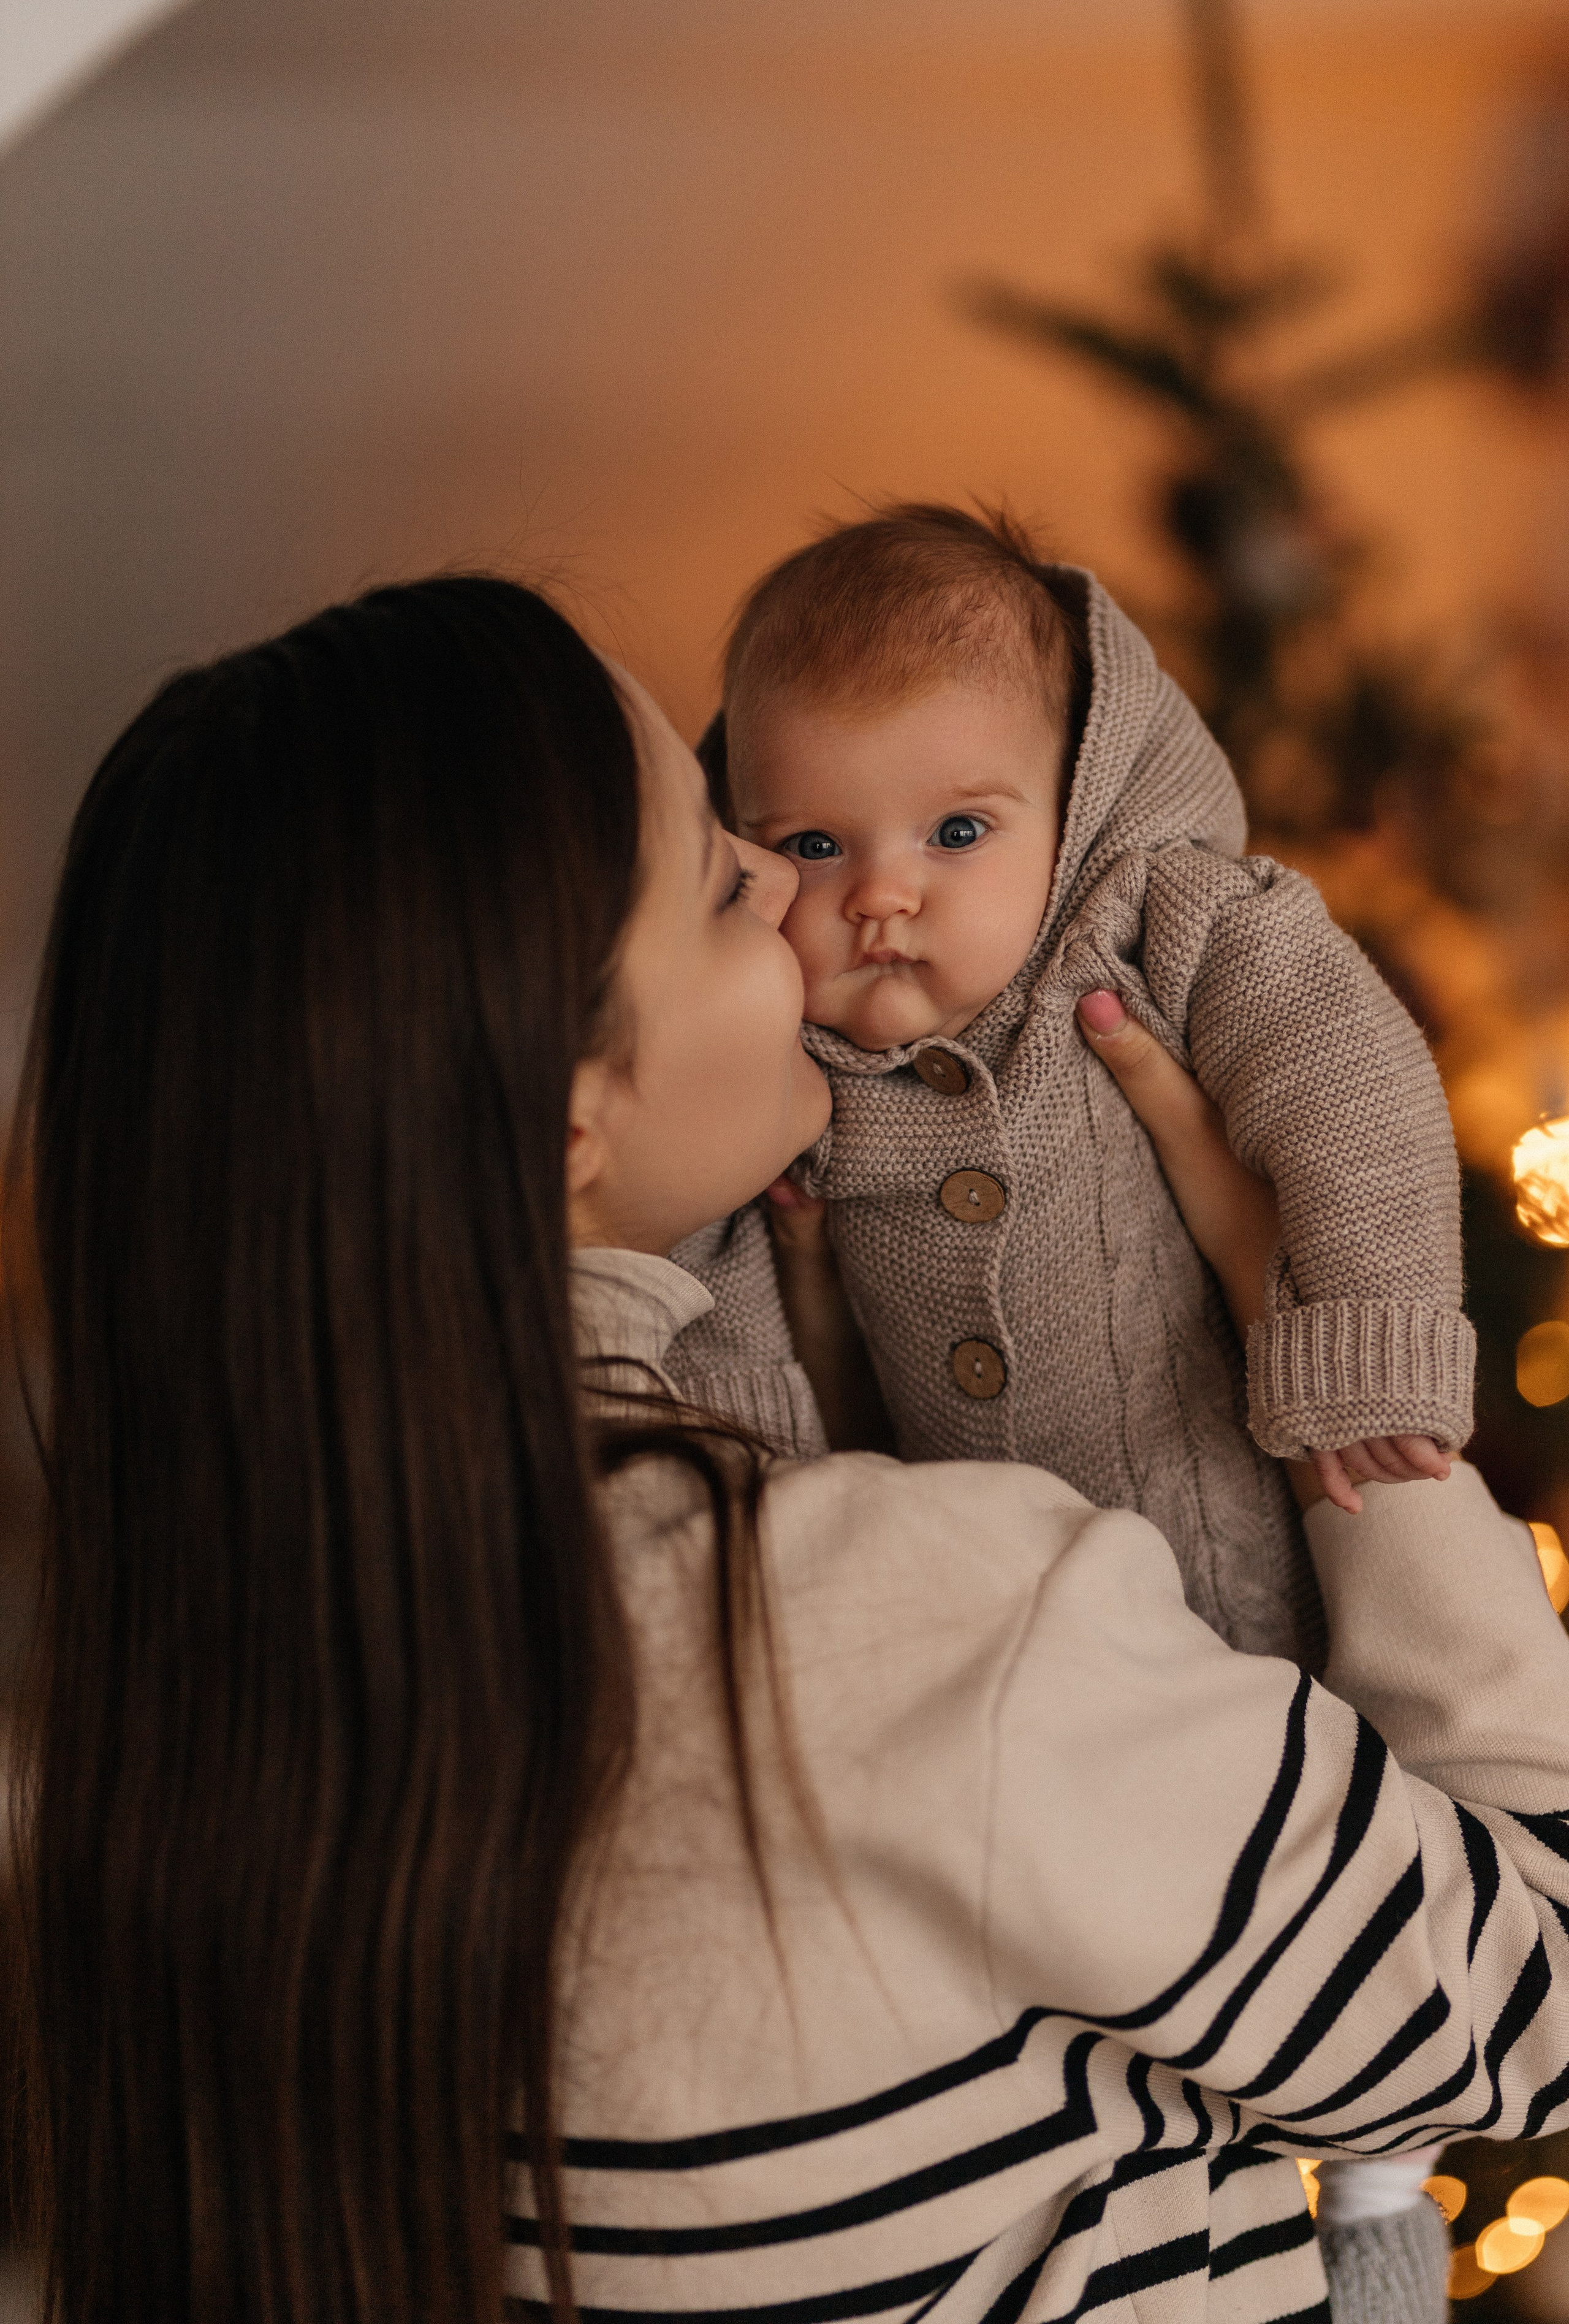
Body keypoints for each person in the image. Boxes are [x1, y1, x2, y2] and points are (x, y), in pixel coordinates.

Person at [16, 574, 1569, 2324]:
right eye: (713, 864)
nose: (793, 885)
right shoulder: (895, 1634)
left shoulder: (204, 1703)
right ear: (565, 1107)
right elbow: (1533, 2003)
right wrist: (1323, 1371)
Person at [676, 503, 1472, 1679]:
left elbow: (1350, 1086)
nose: (881, 896)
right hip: (987, 1654)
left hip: (1275, 1605)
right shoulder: (774, 1058)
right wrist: (771, 1513)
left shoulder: (1154, 922)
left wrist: (1364, 1333)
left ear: (1079, 801)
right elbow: (711, 1281)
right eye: (814, 846)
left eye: (955, 829)